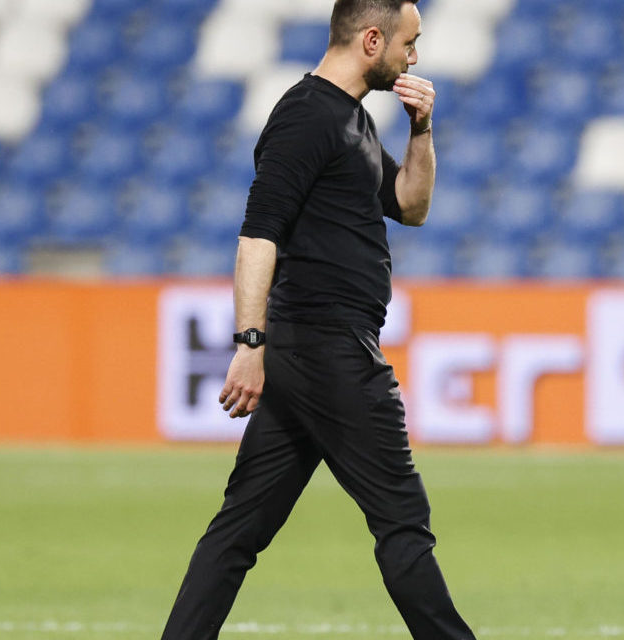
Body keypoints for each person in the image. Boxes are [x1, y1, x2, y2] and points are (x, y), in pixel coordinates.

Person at [160, 1, 474, 638]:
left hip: (308, 355)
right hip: (329, 349)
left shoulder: (352, 120)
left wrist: (422, 130)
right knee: (402, 524)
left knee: (238, 532)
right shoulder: (306, 117)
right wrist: (250, 342)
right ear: (372, 39)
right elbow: (257, 236)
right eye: (408, 43)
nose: (414, 57)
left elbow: (410, 207)